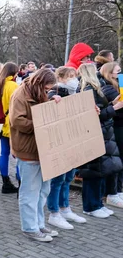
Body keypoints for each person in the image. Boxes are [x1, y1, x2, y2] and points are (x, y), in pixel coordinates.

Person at [9, 69, 60, 242]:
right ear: (39, 83)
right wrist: (41, 125)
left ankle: (39, 223)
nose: (47, 92)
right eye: (46, 89)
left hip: (42, 149)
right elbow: (17, 120)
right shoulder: (20, 95)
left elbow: (42, 110)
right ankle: (30, 228)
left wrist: (52, 101)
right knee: (30, 192)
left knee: (43, 190)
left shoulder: (38, 92)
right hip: (28, 149)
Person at [78, 62, 123, 218]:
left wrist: (110, 105)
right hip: (96, 132)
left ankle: (97, 203)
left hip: (103, 132)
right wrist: (114, 108)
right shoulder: (88, 89)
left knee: (101, 170)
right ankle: (91, 205)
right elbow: (94, 115)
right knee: (93, 171)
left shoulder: (94, 88)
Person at [45, 67, 87, 229]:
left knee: (68, 177)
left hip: (72, 140)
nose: (73, 80)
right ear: (61, 78)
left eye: (74, 76)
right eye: (69, 76)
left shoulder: (75, 93)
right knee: (58, 179)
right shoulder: (54, 92)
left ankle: (65, 208)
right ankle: (54, 213)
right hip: (59, 142)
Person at [0, 62, 20, 194]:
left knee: (4, 153)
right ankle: (21, 182)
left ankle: (5, 181)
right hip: (11, 124)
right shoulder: (13, 85)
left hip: (0, 123)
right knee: (19, 154)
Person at [99, 61, 123, 208]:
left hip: (118, 126)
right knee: (117, 159)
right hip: (116, 126)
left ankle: (118, 190)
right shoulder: (108, 87)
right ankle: (113, 191)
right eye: (117, 71)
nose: (119, 73)